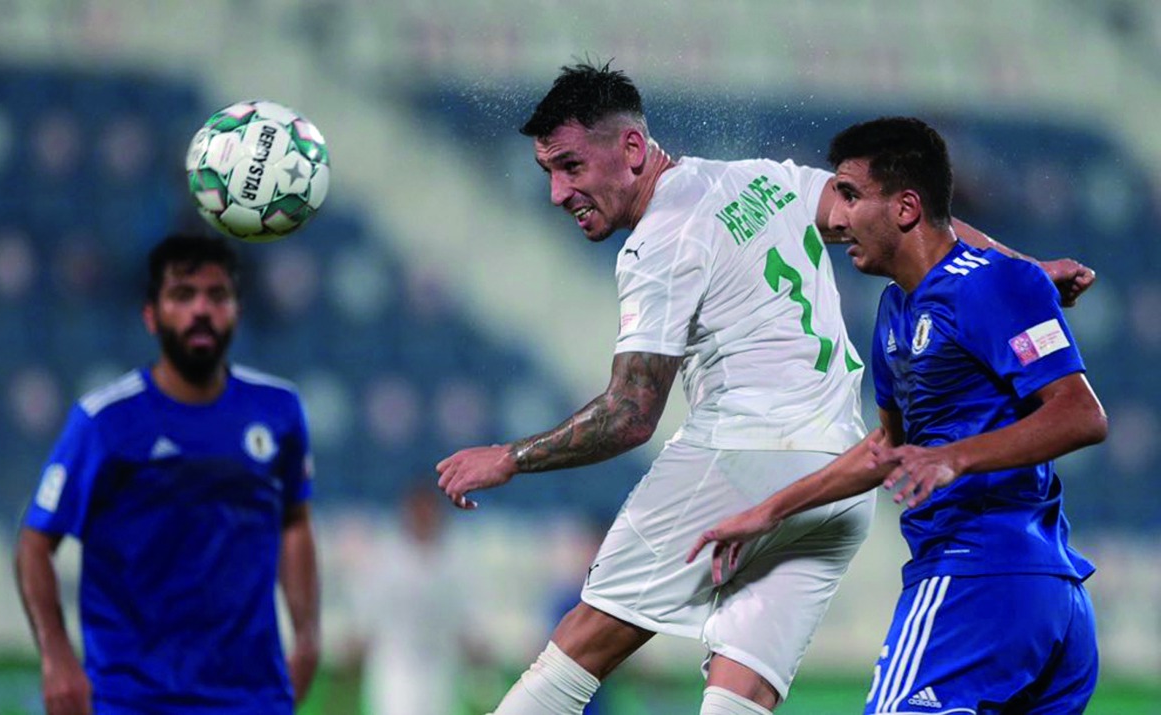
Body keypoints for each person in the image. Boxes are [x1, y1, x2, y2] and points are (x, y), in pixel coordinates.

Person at [436, 62, 1095, 715]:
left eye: (571, 166)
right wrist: (1024, 268)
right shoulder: (761, 179)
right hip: (837, 480)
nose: (558, 192)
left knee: (580, 649)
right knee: (740, 694)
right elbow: (915, 224)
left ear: (632, 149)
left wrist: (511, 456)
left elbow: (630, 415)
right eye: (548, 172)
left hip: (742, 454)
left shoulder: (658, 244)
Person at [688, 117, 1107, 714]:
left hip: (976, 578)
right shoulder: (896, 312)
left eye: (851, 195)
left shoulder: (990, 285)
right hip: (1036, 596)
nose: (837, 218)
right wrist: (769, 512)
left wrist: (952, 458)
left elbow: (1081, 414)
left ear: (906, 207)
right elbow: (885, 447)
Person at [14, 234, 321, 715]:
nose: (201, 310)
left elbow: (295, 522)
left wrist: (307, 636)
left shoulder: (278, 410)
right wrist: (56, 657)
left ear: (237, 311)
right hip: (132, 696)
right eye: (182, 295)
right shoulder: (105, 421)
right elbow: (35, 544)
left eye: (217, 296)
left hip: (251, 696)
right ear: (151, 316)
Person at [343, 482, 485, 714]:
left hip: (441, 664)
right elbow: (366, 613)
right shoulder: (384, 559)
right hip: (393, 664)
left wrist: (475, 644)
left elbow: (467, 616)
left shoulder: (455, 561)